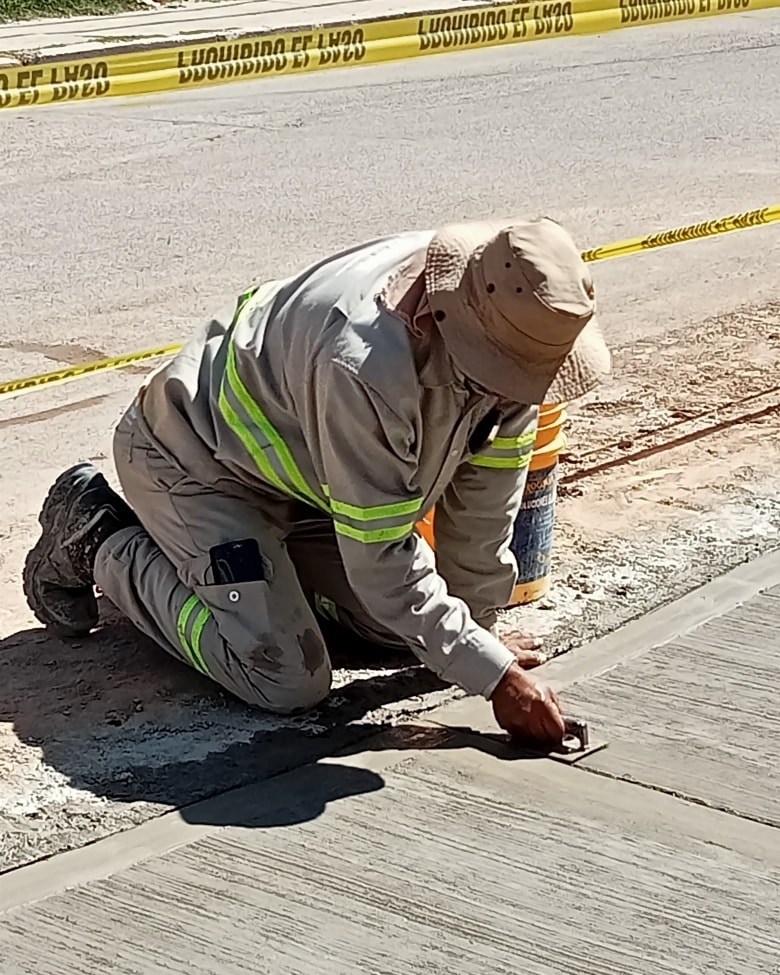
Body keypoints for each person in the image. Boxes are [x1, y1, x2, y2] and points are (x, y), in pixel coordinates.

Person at [23, 216, 610, 747]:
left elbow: (484, 515)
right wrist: (494, 679)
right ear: (451, 324)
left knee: (407, 635)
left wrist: (481, 642)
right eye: (502, 375)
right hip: (194, 463)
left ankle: (260, 582)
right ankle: (101, 537)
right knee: (282, 676)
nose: (514, 391)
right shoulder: (366, 365)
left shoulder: (520, 318)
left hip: (309, 484)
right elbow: (382, 560)